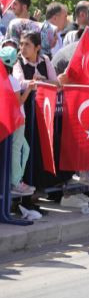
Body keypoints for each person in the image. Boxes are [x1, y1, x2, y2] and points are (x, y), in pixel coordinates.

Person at [0, 46, 36, 196]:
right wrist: (28, 89)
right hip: (17, 121)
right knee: (18, 150)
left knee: (23, 149)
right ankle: (16, 182)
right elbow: (18, 102)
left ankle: (16, 180)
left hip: (12, 121)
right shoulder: (12, 82)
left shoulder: (6, 80)